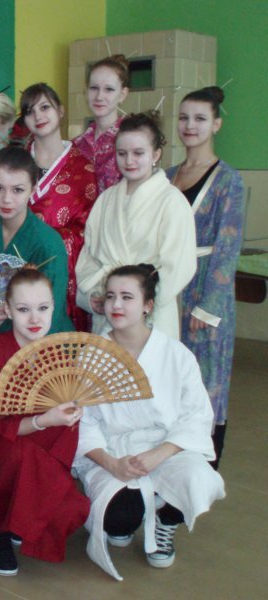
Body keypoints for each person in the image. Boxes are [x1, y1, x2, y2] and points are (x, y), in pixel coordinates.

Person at [74, 264, 225, 581]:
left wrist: (160, 453)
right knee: (117, 520)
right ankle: (129, 514)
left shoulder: (175, 354)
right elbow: (84, 423)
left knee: (199, 478)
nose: (116, 305)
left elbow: (196, 414)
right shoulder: (90, 355)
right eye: (110, 296)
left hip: (163, 447)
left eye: (127, 297)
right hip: (113, 452)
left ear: (148, 305)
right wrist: (112, 464)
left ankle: (165, 521)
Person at [0, 267, 90, 577]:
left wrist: (70, 414)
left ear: (54, 307)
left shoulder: (59, 355)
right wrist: (44, 420)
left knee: (46, 462)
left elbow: (64, 431)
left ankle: (24, 513)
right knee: (23, 457)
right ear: (7, 310)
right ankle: (3, 529)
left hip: (43, 443)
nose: (35, 319)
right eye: (23, 309)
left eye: (43, 308)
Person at [166, 87, 245, 469]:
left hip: (204, 295)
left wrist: (208, 306)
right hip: (169, 292)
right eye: (184, 118)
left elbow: (228, 249)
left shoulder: (228, 181)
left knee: (205, 381)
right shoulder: (166, 176)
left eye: (200, 118)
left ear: (216, 124)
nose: (190, 126)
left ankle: (202, 468)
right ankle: (166, 467)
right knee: (169, 379)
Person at [75, 112, 197, 338]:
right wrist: (93, 296)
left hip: (151, 312)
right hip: (110, 310)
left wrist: (140, 301)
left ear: (156, 154)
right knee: (108, 361)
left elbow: (178, 266)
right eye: (122, 153)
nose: (129, 161)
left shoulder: (172, 201)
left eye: (138, 153)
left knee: (148, 362)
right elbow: (88, 257)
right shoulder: (106, 200)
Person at [0, 147, 73, 341]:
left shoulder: (48, 243)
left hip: (42, 346)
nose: (6, 199)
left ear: (33, 189)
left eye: (18, 190)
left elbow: (53, 314)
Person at [21, 83, 98, 331]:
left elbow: (89, 229)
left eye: (45, 107)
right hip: (20, 268)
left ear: (61, 111)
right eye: (30, 111)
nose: (38, 116)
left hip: (64, 272)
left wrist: (50, 240)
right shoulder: (16, 161)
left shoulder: (83, 168)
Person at [74, 55, 130, 193]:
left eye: (109, 89)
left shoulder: (132, 140)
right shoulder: (76, 145)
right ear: (86, 91)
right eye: (94, 88)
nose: (99, 97)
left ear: (122, 94)